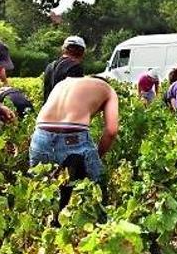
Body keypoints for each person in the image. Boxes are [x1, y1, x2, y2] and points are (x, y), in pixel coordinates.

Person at [30, 76, 119, 208]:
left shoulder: (63, 82)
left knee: (41, 193)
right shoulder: (109, 90)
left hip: (39, 136)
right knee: (98, 190)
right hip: (72, 136)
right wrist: (97, 156)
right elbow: (111, 131)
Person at [43, 36, 86, 103]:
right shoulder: (75, 67)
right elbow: (75, 97)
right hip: (64, 111)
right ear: (82, 52)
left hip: (48, 111)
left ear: (63, 49)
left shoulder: (50, 66)